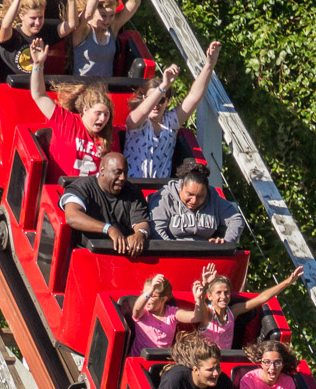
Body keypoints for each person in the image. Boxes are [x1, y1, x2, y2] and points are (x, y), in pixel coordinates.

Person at [124, 41, 221, 179]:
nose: (156, 104)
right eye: (152, 99)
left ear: (168, 101)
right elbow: (138, 116)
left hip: (161, 190)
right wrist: (164, 86)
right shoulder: (136, 122)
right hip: (135, 187)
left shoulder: (171, 122)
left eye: (161, 100)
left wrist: (209, 65)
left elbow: (194, 96)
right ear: (143, 98)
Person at [29, 38, 118, 183]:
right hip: (60, 192)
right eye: (98, 113)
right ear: (85, 110)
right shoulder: (65, 120)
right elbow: (38, 95)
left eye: (106, 115)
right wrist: (38, 65)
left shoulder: (109, 135)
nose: (102, 119)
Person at [59, 152, 149, 256]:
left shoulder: (133, 192)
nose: (123, 178)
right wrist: (109, 229)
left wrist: (140, 234)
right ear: (102, 171)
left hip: (123, 256)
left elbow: (141, 221)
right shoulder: (82, 187)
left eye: (125, 173)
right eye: (118, 172)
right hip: (87, 255)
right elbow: (72, 217)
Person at [199, 266, 304, 352]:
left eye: (226, 292)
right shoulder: (207, 314)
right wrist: (204, 285)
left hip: (226, 360)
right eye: (218, 293)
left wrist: (288, 282)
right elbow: (201, 301)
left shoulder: (232, 312)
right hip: (207, 360)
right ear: (210, 296)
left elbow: (262, 298)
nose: (223, 296)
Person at [0, 0, 77, 74]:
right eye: (33, 18)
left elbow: (71, 24)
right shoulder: (12, 36)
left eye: (41, 17)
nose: (38, 23)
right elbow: (5, 26)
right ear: (21, 16)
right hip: (13, 86)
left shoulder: (46, 33)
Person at [148, 160, 245, 244]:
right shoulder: (165, 198)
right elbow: (156, 231)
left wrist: (226, 242)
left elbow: (236, 219)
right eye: (189, 194)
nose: (194, 201)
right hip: (173, 255)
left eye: (200, 196)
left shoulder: (213, 198)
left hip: (206, 256)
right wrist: (173, 251)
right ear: (181, 187)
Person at [70, 0, 141, 77]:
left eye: (111, 15)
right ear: (94, 11)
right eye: (103, 16)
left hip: (105, 88)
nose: (107, 21)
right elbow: (87, 14)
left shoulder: (112, 28)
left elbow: (134, 3)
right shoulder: (82, 29)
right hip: (83, 89)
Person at [156, 332, 234, 389]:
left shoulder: (225, 383)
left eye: (218, 367)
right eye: (210, 370)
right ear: (195, 370)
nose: (216, 373)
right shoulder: (175, 379)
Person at [129, 272, 208, 357]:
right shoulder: (143, 313)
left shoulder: (172, 313)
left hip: (162, 361)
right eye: (145, 295)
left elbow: (197, 317)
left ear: (164, 299)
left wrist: (198, 299)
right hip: (139, 359)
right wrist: (151, 289)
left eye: (152, 296)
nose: (147, 299)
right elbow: (136, 310)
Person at [234, 339, 307, 389]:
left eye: (277, 362)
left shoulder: (288, 382)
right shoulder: (249, 379)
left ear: (283, 364)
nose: (272, 367)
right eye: (267, 362)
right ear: (260, 363)